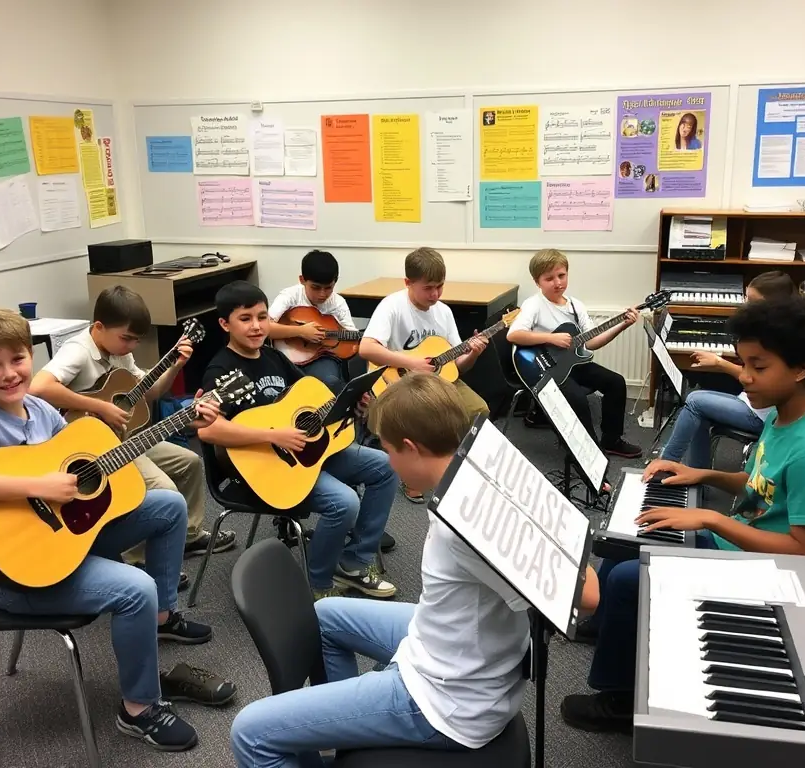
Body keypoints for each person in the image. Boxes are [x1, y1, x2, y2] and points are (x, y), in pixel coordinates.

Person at [230, 372, 601, 767]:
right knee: (325, 614)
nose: (387, 460)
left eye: (389, 449)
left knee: (250, 732)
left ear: (410, 447)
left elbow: (588, 596)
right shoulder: (472, 464)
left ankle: (358, 720)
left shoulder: (465, 520)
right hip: (457, 645)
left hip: (449, 702)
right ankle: (347, 731)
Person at [0, 310, 236, 751]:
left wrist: (185, 423)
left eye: (17, 359)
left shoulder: (39, 408)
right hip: (6, 573)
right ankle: (138, 709)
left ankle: (162, 618)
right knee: (134, 588)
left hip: (56, 539)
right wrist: (36, 484)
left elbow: (81, 460)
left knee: (166, 504)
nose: (9, 373)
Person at [561, 296, 805, 733]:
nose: (745, 377)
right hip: (743, 542)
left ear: (801, 368)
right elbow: (759, 486)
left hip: (781, 574)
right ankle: (608, 625)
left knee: (626, 578)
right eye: (743, 362)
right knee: (626, 544)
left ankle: (619, 699)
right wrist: (702, 474)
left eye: (758, 366)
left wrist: (713, 520)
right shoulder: (784, 413)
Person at [198, 281, 397, 601]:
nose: (257, 326)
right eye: (245, 319)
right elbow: (208, 431)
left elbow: (311, 398)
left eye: (262, 317)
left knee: (386, 467)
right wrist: (273, 435)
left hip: (308, 452)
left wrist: (349, 403)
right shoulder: (220, 370)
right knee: (344, 502)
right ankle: (318, 581)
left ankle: (354, 562)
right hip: (267, 469)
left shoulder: (273, 358)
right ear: (225, 324)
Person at [31, 286, 236, 566]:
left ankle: (188, 536)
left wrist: (174, 366)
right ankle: (138, 561)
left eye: (137, 341)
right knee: (163, 490)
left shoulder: (120, 353)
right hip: (91, 450)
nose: (131, 347)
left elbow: (148, 392)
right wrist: (100, 406)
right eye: (126, 338)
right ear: (99, 327)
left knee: (189, 461)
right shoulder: (78, 351)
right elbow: (39, 387)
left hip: (122, 439)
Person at [359, 246, 490, 502]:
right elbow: (366, 348)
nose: (436, 294)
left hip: (437, 381)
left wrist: (473, 353)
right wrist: (411, 362)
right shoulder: (392, 306)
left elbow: (456, 366)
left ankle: (456, 469)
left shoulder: (444, 312)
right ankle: (414, 479)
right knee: (423, 420)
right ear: (408, 283)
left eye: (440, 286)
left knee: (480, 410)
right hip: (399, 384)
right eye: (428, 288)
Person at [659, 271, 805, 468]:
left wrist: (719, 363)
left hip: (764, 416)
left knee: (694, 401)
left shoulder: (780, 341)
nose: (744, 307)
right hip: (755, 404)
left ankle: (665, 465)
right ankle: (694, 478)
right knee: (698, 407)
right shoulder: (780, 328)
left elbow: (757, 381)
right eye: (745, 298)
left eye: (752, 302)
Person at [507, 248, 642, 458]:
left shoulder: (576, 306)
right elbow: (513, 335)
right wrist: (550, 338)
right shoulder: (534, 304)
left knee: (616, 382)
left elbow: (593, 342)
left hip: (572, 363)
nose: (557, 282)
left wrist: (621, 325)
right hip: (546, 369)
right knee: (577, 399)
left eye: (561, 275)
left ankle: (611, 440)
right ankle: (588, 453)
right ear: (537, 282)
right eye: (549, 278)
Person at [267, 249, 358, 390]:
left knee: (330, 383)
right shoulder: (290, 296)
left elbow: (352, 338)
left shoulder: (337, 303)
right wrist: (301, 331)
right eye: (316, 288)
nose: (322, 294)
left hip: (322, 358)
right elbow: (266, 328)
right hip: (284, 359)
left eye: (328, 288)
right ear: (302, 280)